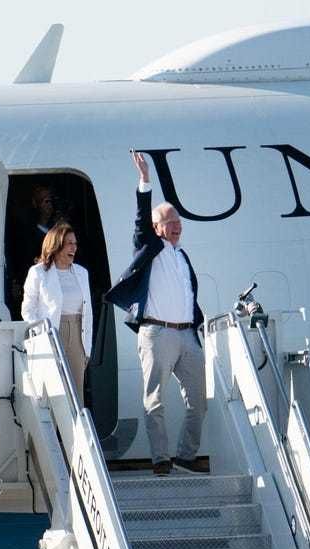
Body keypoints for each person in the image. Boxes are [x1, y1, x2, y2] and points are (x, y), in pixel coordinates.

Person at [104, 152, 206, 476]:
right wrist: (145, 180)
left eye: (179, 221)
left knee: (199, 402)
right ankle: (161, 459)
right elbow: (140, 218)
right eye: (169, 222)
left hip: (186, 334)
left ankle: (185, 456)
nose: (176, 226)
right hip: (157, 333)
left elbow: (189, 295)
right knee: (155, 399)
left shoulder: (181, 256)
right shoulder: (151, 248)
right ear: (156, 227)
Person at [22, 223, 93, 403]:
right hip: (52, 333)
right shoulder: (38, 272)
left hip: (77, 335)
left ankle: (77, 431)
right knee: (52, 396)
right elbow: (27, 310)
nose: (74, 248)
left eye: (75, 244)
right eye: (69, 243)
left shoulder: (82, 273)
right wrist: (42, 335)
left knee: (76, 396)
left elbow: (88, 312)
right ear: (56, 245)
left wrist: (87, 348)